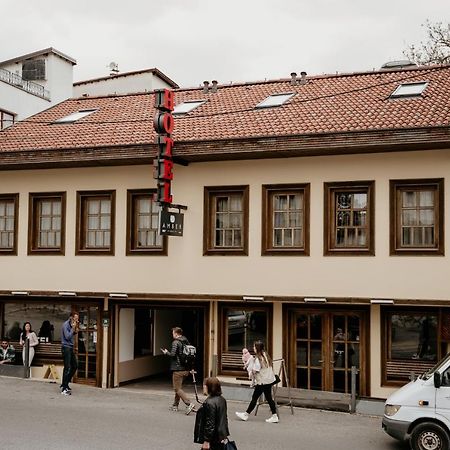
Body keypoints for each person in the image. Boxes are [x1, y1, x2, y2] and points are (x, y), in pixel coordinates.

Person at [235, 340, 279, 423]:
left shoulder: (258, 359)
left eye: (254, 347)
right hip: (269, 380)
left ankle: (246, 414)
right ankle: (274, 415)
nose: (253, 348)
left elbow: (255, 370)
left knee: (254, 398)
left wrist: (250, 371)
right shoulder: (266, 355)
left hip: (262, 381)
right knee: (269, 398)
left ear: (257, 348)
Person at [162, 326, 196, 414]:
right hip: (186, 369)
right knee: (178, 388)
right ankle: (175, 405)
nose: (172, 334)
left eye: (173, 333)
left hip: (178, 369)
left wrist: (166, 353)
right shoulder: (186, 341)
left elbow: (173, 355)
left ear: (176, 334)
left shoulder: (176, 342)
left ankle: (189, 403)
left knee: (177, 388)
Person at [195, 377, 230, 450]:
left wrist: (207, 441)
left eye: (205, 386)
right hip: (220, 435)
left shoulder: (209, 403)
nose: (204, 388)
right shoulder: (222, 399)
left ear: (209, 387)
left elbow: (210, 423)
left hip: (213, 438)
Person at [60, 312, 79, 396]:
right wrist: (73, 328)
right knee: (67, 367)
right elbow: (67, 336)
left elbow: (71, 335)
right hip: (66, 347)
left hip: (70, 348)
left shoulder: (71, 325)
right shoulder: (65, 325)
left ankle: (66, 383)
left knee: (75, 365)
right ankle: (64, 389)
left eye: (77, 318)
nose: (76, 320)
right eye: (75, 318)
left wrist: (75, 331)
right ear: (71, 317)